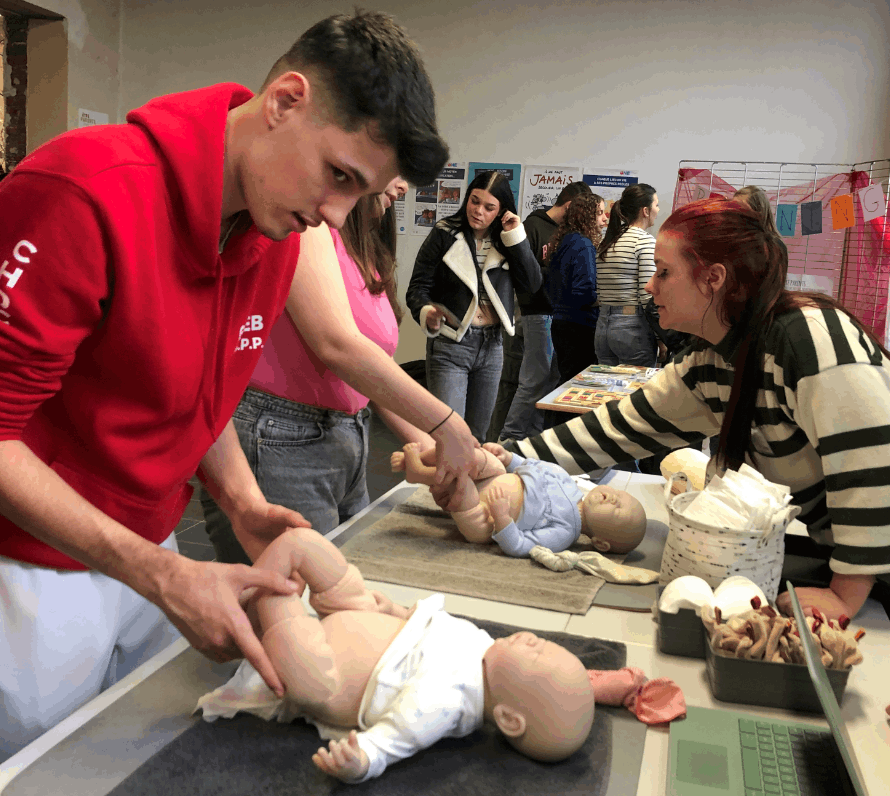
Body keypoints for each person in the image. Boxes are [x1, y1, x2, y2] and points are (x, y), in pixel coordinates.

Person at [0, 10, 449, 759]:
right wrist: (159, 570)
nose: (333, 215)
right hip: (34, 569)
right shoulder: (84, 191)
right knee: (47, 768)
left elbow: (195, 394)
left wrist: (242, 503)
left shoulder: (272, 231)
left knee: (138, 753)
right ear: (284, 102)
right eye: (338, 175)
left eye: (361, 194)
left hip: (149, 551)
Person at [505, 197, 890, 621]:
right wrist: (506, 459)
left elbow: (873, 468)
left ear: (713, 279)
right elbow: (618, 427)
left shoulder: (811, 338)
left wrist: (845, 595)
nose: (651, 286)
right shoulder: (713, 361)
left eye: (664, 272)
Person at [200, 181, 477, 564]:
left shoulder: (363, 247)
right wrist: (445, 425)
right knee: (298, 601)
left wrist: (428, 442)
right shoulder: (307, 228)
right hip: (281, 441)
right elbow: (338, 345)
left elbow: (369, 371)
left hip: (342, 440)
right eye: (393, 167)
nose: (402, 184)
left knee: (343, 583)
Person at [197, 526, 597, 782]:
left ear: (510, 719)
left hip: (322, 672)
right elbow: (434, 625)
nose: (536, 641)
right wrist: (397, 612)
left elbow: (398, 738)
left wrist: (363, 761)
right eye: (548, 643)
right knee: (302, 542)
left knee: (283, 599)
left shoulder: (448, 702)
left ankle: (257, 604)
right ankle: (262, 594)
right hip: (355, 612)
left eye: (539, 655)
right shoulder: (482, 647)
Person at [406, 171, 542, 441]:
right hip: (450, 345)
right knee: (449, 436)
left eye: (489, 207)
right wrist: (427, 312)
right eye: (474, 201)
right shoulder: (444, 233)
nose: (478, 211)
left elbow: (533, 284)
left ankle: (470, 484)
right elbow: (417, 288)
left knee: (478, 437)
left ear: (502, 211)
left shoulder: (507, 240)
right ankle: (440, 484)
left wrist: (516, 236)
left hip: (492, 347)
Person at [391, 441, 647, 558]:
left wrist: (502, 519)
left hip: (485, 515)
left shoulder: (564, 533)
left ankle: (419, 473)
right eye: (620, 495)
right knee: (471, 451)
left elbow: (521, 546)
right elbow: (534, 465)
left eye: (617, 510)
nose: (613, 497)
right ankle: (423, 458)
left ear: (600, 543)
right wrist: (508, 458)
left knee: (462, 485)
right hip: (497, 476)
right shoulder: (569, 483)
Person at [493, 181, 595, 443]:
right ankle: (509, 437)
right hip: (535, 313)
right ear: (572, 206)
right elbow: (524, 275)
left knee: (548, 380)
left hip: (551, 314)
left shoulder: (564, 234)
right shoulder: (533, 227)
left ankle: (534, 440)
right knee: (532, 380)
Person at [595, 183, 660, 366]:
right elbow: (647, 296)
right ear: (645, 211)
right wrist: (660, 337)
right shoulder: (645, 241)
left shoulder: (607, 242)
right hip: (632, 327)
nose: (658, 209)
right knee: (636, 389)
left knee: (606, 390)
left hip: (603, 325)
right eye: (656, 205)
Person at [546, 192, 607, 385]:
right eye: (600, 213)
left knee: (566, 379)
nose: (605, 218)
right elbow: (584, 291)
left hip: (560, 322)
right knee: (577, 385)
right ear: (587, 216)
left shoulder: (563, 241)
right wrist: (606, 299)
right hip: (580, 326)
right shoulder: (584, 245)